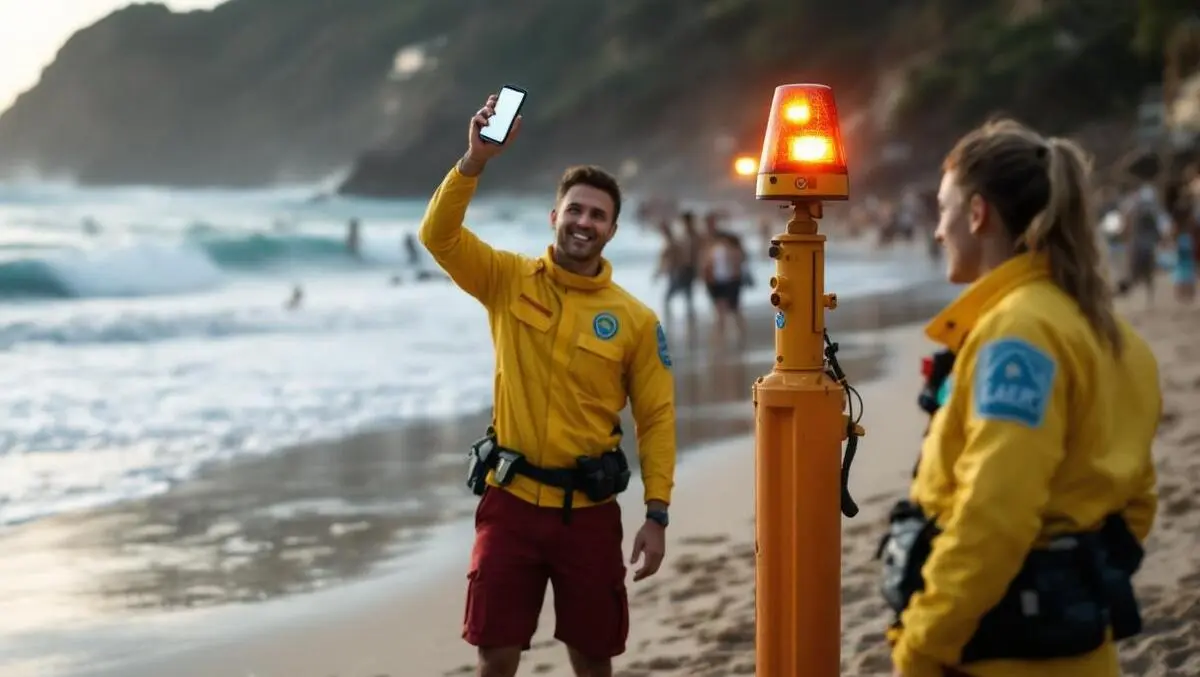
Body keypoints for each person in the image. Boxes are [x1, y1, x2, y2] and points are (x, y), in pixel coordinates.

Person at [881, 119, 1161, 677]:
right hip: (1079, 652)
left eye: (944, 209)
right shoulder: (1112, 334)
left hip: (1001, 656)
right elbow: (1138, 501)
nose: (938, 230)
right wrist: (1079, 574)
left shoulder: (1018, 335)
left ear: (978, 213)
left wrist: (924, 644)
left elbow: (995, 511)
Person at [419, 93, 677, 677]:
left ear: (611, 229)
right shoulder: (507, 280)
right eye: (576, 209)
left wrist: (657, 514)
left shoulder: (635, 320)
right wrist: (474, 161)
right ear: (554, 216)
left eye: (598, 215)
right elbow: (438, 236)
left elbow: (657, 418)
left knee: (593, 656)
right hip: (509, 505)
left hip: (588, 514)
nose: (584, 222)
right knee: (496, 654)